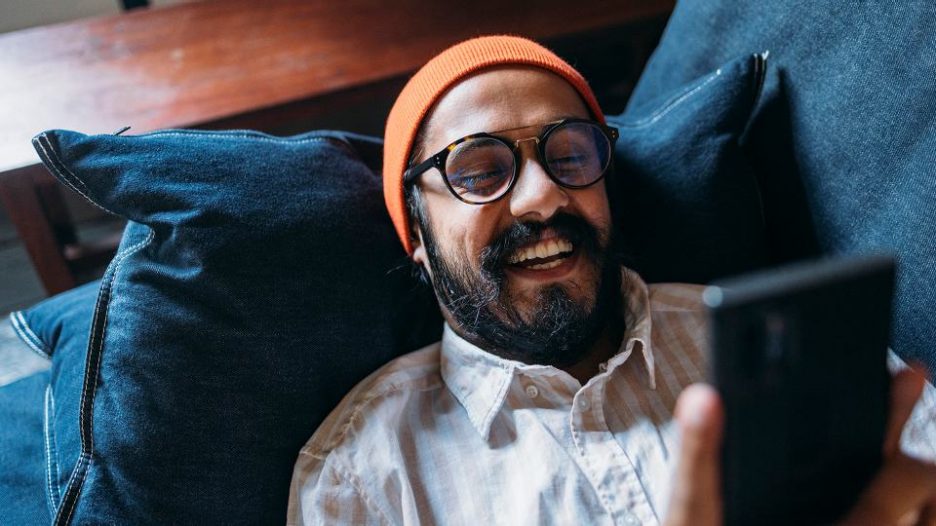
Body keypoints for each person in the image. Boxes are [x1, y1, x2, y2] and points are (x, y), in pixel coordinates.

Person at [287, 36, 936, 525]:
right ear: (420, 238)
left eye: (570, 155)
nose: (543, 198)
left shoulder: (790, 345)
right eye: (480, 172)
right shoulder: (364, 477)